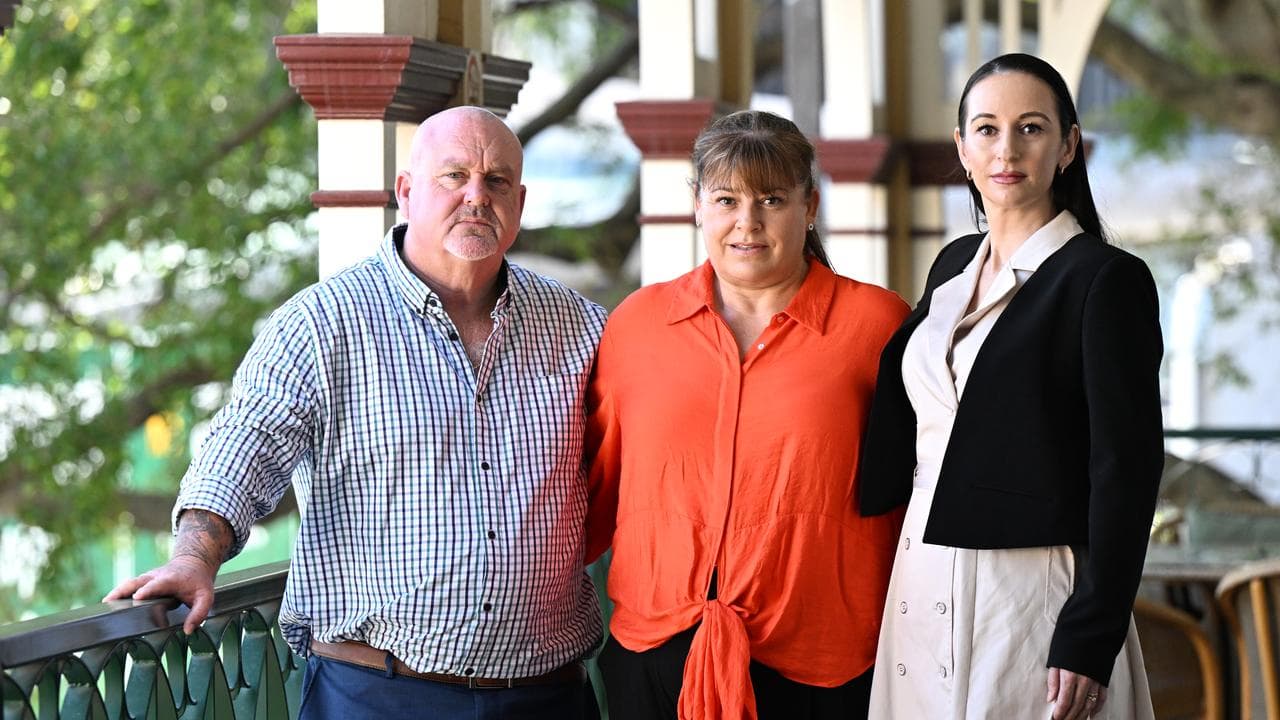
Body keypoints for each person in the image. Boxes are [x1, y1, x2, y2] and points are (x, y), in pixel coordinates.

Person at [105, 106, 606, 720]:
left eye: (497, 181)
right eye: (454, 176)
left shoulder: (580, 325)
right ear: (405, 191)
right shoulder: (320, 324)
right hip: (377, 695)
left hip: (546, 696)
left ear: (520, 201)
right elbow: (243, 451)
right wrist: (193, 558)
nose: (477, 196)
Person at [858, 53, 1162, 720]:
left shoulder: (1104, 280)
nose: (1008, 148)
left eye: (1031, 128)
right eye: (988, 129)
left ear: (1068, 146)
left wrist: (1092, 632)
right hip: (920, 572)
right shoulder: (951, 265)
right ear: (962, 147)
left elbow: (1126, 470)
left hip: (1031, 593)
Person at [584, 110, 909, 720]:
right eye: (727, 199)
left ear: (809, 206)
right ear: (698, 206)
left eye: (772, 199)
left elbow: (923, 487)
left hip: (821, 662)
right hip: (652, 654)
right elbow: (592, 483)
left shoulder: (878, 327)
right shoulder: (637, 325)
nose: (747, 223)